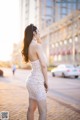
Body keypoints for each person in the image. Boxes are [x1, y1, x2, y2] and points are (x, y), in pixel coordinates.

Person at [22, 24, 48, 120]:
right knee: (43, 111)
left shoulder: (29, 46)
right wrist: (46, 81)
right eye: (38, 31)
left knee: (31, 109)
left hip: (31, 81)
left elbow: (40, 49)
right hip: (38, 82)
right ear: (34, 33)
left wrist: (39, 39)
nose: (40, 33)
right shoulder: (37, 46)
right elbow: (44, 65)